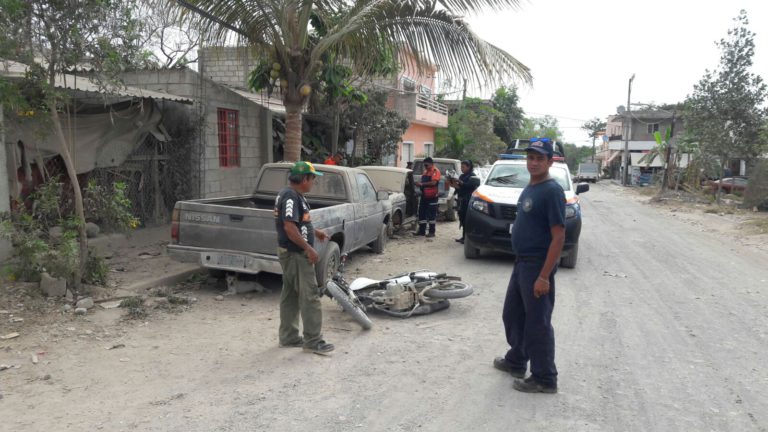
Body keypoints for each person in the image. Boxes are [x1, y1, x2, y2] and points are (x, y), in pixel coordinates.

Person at [493, 140, 565, 393]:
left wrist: (544, 276)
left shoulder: (551, 191)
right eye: (530, 157)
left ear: (549, 161)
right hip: (521, 263)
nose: (533, 162)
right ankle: (516, 359)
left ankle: (545, 378)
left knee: (537, 323)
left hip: (537, 265)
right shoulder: (531, 187)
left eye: (539, 158)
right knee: (513, 315)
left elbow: (558, 236)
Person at [275, 161, 334, 355]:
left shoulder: (291, 195)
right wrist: (309, 248)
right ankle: (313, 340)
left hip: (290, 253)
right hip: (296, 255)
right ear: (304, 178)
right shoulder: (291, 197)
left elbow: (296, 223)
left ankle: (289, 337)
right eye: (312, 178)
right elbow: (289, 227)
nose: (313, 182)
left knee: (290, 294)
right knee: (310, 296)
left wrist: (314, 232)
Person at [450, 160, 480, 244]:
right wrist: (452, 183)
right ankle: (464, 237)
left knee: (467, 219)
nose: (462, 169)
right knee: (462, 218)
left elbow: (469, 186)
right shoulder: (462, 176)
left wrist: (459, 182)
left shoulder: (472, 176)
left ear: (468, 167)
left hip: (468, 200)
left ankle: (468, 237)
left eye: (463, 167)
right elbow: (459, 188)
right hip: (461, 199)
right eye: (461, 167)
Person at [414, 157, 441, 238]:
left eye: (426, 165)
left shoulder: (435, 171)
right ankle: (422, 231)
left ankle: (432, 232)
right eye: (424, 165)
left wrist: (422, 184)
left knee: (431, 215)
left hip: (432, 196)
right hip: (424, 195)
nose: (425, 166)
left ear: (431, 164)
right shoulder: (426, 172)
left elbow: (433, 183)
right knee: (422, 213)